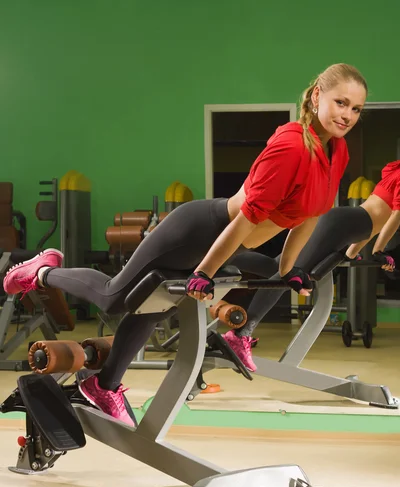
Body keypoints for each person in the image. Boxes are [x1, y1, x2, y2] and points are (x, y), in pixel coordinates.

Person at [4, 63, 367, 425]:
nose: (348, 115)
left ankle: (104, 385)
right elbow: (246, 219)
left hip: (229, 243)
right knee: (115, 297)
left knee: (154, 307)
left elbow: (309, 217)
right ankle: (44, 271)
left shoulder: (337, 151)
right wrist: (205, 272)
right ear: (317, 96)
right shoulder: (290, 147)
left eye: (356, 109)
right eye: (341, 102)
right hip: (199, 231)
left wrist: (290, 271)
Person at [224, 160, 400, 371]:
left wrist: (352, 254)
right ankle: (240, 334)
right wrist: (379, 251)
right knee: (287, 278)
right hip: (344, 225)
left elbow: (372, 225)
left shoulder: (395, 171)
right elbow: (394, 216)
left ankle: (212, 259)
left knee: (277, 267)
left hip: (346, 223)